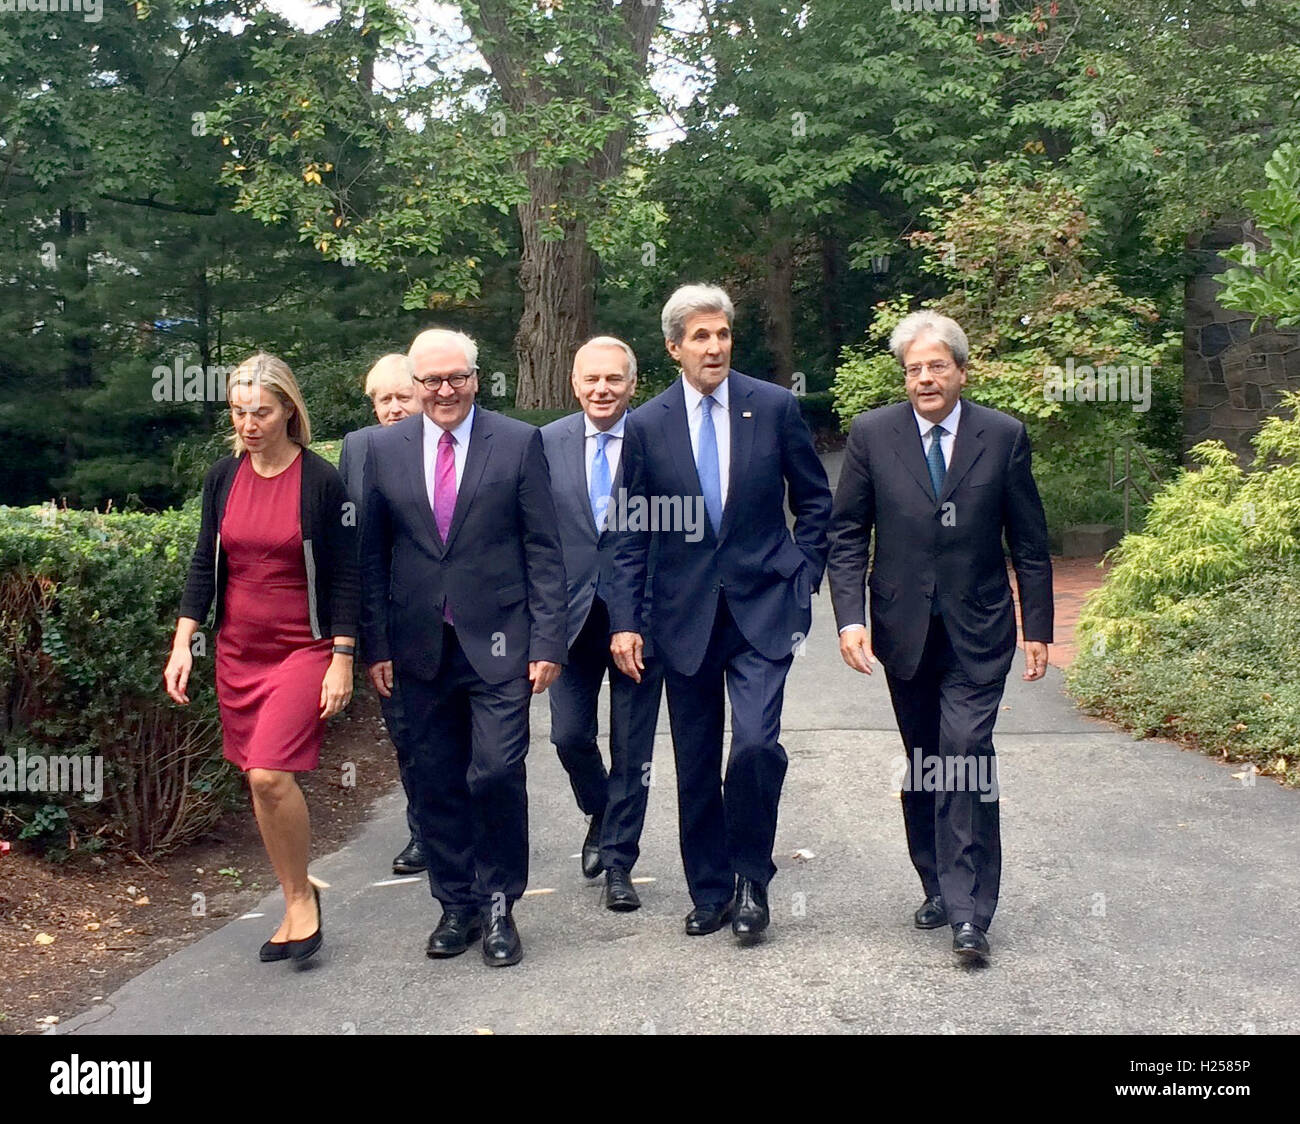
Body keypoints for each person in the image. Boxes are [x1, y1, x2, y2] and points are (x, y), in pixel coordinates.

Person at [826, 310, 1053, 962]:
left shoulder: (1002, 436)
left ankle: (970, 911)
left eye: (936, 366)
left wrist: (1038, 626)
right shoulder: (873, 435)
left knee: (963, 751)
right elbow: (847, 534)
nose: (925, 378)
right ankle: (935, 880)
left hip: (979, 630)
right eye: (914, 368)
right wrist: (850, 618)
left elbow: (1030, 544)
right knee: (925, 760)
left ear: (960, 369)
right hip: (903, 632)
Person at [609, 285, 832, 943]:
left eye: (722, 334)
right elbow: (628, 531)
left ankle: (751, 881)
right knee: (697, 760)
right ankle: (710, 890)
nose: (714, 347)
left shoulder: (774, 406)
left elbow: (817, 502)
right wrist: (626, 617)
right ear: (674, 347)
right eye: (699, 337)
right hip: (683, 619)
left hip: (763, 608)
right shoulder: (646, 425)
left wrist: (803, 575)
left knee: (757, 745)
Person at [359, 328, 567, 968]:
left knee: (498, 771)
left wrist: (548, 638)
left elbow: (543, 547)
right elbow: (368, 558)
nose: (445, 391)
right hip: (416, 645)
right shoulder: (380, 449)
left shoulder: (517, 441)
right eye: (431, 381)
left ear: (477, 378)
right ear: (414, 384)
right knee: (434, 779)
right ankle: (457, 905)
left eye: (457, 378)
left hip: (501, 642)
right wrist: (374, 645)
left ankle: (502, 903)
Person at [164, 353, 358, 964]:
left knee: (270, 772)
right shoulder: (223, 476)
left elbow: (347, 576)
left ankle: (301, 899)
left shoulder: (320, 481)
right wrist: (183, 642)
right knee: (259, 781)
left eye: (261, 412)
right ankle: (293, 894)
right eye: (238, 412)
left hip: (304, 647)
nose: (249, 424)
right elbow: (204, 562)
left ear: (287, 411)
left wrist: (344, 658)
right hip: (237, 651)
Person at [540, 337, 665, 911]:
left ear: (632, 384)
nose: (602, 389)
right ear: (574, 383)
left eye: (614, 379)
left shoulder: (659, 441)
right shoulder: (546, 443)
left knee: (633, 747)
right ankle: (600, 809)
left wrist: (638, 612)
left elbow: (671, 537)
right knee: (568, 735)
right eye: (591, 379)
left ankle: (619, 862)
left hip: (638, 617)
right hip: (567, 619)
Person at [338, 353, 425, 876]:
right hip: (390, 620)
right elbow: (355, 547)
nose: (392, 409)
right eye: (381, 400)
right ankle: (425, 829)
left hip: (458, 618)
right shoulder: (360, 447)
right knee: (407, 734)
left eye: (401, 397)